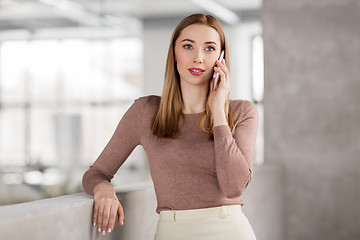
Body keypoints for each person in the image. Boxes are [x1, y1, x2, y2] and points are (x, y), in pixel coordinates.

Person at [82, 13, 258, 240]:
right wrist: (104, 190)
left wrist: (218, 113)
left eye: (209, 48)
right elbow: (95, 174)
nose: (198, 58)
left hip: (230, 232)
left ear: (221, 58)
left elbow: (234, 187)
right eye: (188, 46)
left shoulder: (242, 112)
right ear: (174, 53)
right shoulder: (145, 111)